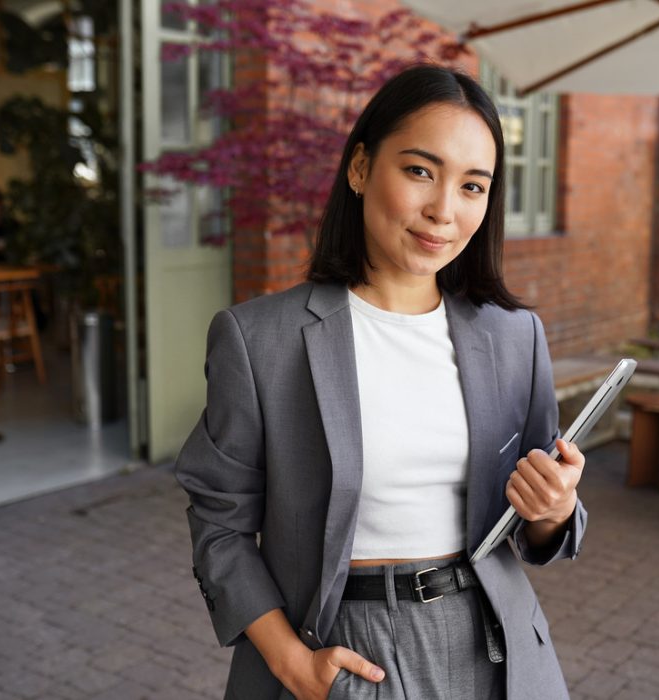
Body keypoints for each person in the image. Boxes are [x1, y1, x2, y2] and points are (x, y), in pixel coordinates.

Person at [175, 65, 587, 700]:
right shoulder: (260, 340)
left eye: (473, 186)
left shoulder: (514, 337)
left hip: (493, 645)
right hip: (337, 645)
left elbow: (537, 523)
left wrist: (555, 510)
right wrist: (289, 663)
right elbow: (220, 523)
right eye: (420, 171)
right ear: (361, 168)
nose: (443, 211)